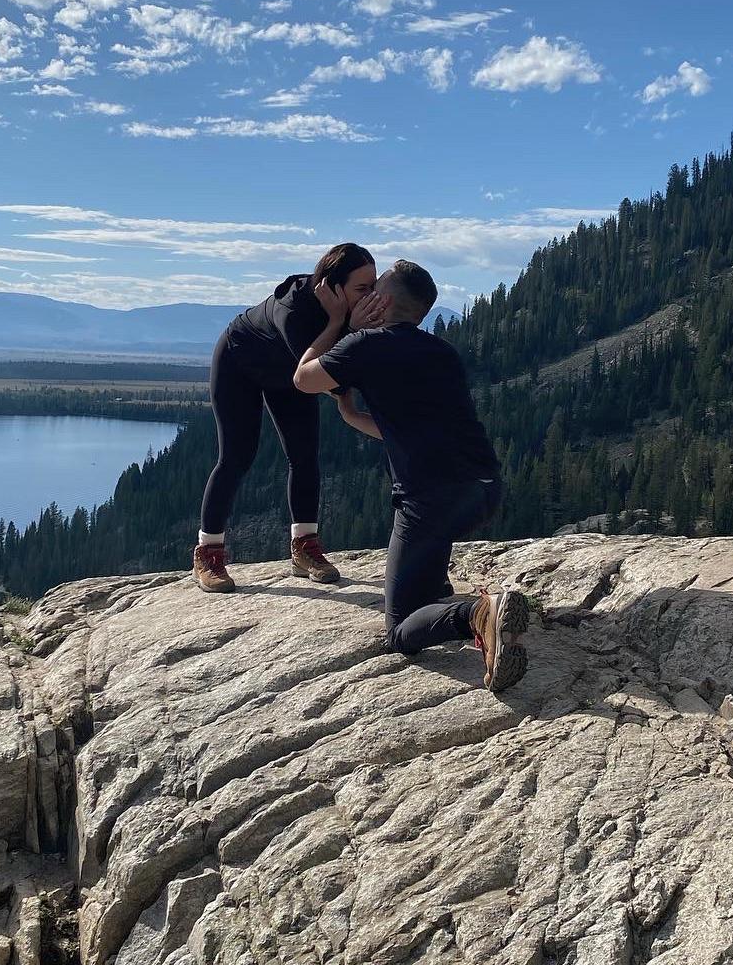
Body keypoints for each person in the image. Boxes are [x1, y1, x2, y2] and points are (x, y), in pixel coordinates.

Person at [292, 258, 528, 693]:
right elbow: (404, 426)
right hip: (484, 491)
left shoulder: (365, 345)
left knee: (400, 632)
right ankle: (448, 601)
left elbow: (304, 379)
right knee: (425, 573)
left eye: (373, 288)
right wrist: (352, 415)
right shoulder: (441, 351)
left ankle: (477, 614)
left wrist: (338, 322)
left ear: (382, 299)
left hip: (430, 500)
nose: (367, 294)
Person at [194, 242, 387, 593]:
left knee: (304, 455)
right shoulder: (294, 308)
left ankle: (305, 548)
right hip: (240, 363)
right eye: (362, 288)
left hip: (288, 373)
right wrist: (341, 324)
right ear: (331, 286)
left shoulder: (352, 310)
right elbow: (316, 375)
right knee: (236, 457)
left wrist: (351, 326)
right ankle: (208, 553)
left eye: (373, 286)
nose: (370, 295)